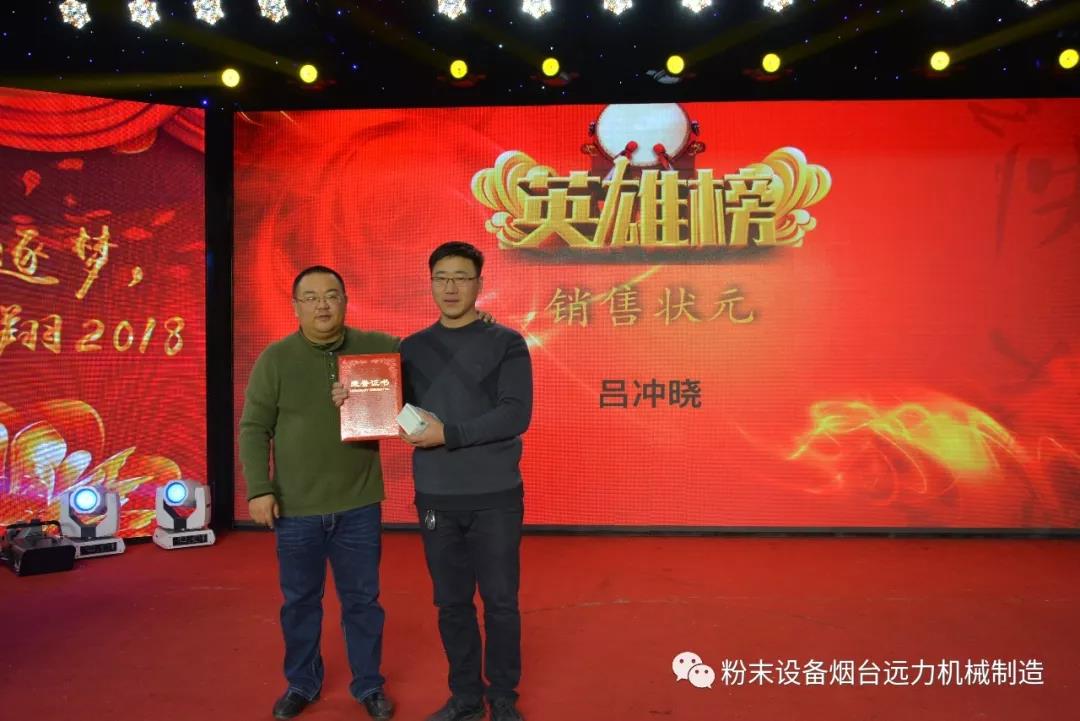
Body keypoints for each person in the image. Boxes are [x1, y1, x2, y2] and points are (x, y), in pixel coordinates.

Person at [239, 265, 396, 721]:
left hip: (359, 503)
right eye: (311, 297)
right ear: (295, 307)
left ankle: (369, 684)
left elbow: (429, 353)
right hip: (296, 507)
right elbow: (253, 428)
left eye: (331, 295)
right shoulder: (275, 359)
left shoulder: (375, 347)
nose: (322, 305)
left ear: (345, 301)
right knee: (300, 602)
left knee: (363, 602)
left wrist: (477, 321)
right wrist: (259, 489)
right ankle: (302, 683)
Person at [398, 242, 533, 721]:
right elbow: (392, 409)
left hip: (496, 497)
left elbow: (515, 414)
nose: (450, 287)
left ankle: (503, 696)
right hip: (436, 495)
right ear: (430, 283)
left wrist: (448, 434)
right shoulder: (410, 349)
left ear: (479, 283)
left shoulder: (507, 343)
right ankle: (465, 697)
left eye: (461, 277)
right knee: (451, 603)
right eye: (441, 277)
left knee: (500, 603)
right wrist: (351, 397)